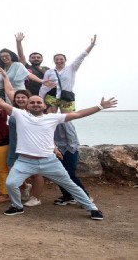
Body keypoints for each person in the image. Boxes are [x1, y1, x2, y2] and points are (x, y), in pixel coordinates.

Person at [0, 91, 114, 220]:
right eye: (32, 102)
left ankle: (92, 208)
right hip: (24, 161)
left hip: (49, 162)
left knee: (70, 185)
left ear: (44, 106)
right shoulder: (20, 115)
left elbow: (78, 114)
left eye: (38, 102)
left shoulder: (52, 117)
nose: (35, 104)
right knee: (11, 183)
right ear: (27, 106)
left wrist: (101, 107)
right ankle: (17, 206)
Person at [39, 35, 98, 205]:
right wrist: (41, 99)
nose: (58, 60)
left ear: (64, 60)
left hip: (66, 96)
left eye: (61, 58)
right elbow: (44, 85)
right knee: (50, 117)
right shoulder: (49, 72)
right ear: (53, 61)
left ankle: (80, 196)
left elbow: (81, 58)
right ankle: (69, 195)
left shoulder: (71, 68)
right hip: (51, 97)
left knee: (66, 119)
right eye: (56, 59)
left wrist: (91, 46)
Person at [0, 70, 44, 207]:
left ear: (29, 99)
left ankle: (36, 197)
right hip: (15, 146)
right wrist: (6, 77)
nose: (20, 99)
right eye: (18, 98)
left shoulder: (35, 112)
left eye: (23, 98)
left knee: (36, 172)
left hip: (31, 147)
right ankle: (25, 187)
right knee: (13, 168)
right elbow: (9, 90)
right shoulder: (13, 111)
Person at [15, 32, 49, 96]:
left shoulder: (47, 69)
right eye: (33, 57)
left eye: (38, 57)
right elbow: (21, 55)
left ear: (42, 59)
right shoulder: (26, 67)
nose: (36, 59)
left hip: (45, 95)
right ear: (29, 60)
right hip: (29, 94)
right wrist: (18, 42)